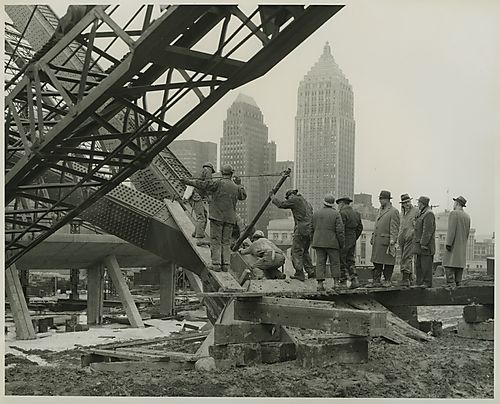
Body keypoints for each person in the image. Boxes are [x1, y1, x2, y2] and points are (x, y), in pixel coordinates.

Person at [182, 164, 246, 272]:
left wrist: (188, 181)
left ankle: (216, 264)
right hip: (230, 219)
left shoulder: (218, 183)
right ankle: (225, 265)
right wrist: (239, 184)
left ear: (221, 173)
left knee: (216, 241)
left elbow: (203, 184)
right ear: (231, 173)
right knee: (226, 242)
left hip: (217, 217)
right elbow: (243, 196)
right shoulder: (236, 187)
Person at [271, 189, 313, 281]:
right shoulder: (307, 203)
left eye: (288, 197)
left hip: (301, 230)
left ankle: (299, 273)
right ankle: (311, 271)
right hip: (310, 230)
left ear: (291, 195)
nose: (288, 199)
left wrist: (273, 198)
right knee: (305, 252)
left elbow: (281, 204)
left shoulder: (295, 200)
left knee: (296, 252)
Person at [311, 194, 345, 291]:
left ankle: (320, 284)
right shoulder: (336, 214)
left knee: (320, 262)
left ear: (324, 202)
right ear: (333, 204)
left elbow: (311, 228)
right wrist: (341, 243)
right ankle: (336, 283)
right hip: (332, 242)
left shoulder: (316, 213)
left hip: (318, 242)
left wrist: (313, 240)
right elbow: (340, 231)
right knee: (335, 263)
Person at [370, 190, 400, 287]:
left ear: (387, 199)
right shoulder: (379, 210)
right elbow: (377, 224)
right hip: (378, 241)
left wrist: (393, 239)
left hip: (387, 242)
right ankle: (376, 280)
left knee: (388, 262)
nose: (380, 201)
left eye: (381, 199)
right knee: (377, 262)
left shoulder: (393, 211)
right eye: (379, 198)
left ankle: (387, 280)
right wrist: (373, 236)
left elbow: (395, 227)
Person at [442, 196, 471, 287]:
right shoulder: (467, 216)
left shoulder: (453, 213)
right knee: (459, 268)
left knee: (449, 265)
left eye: (454, 202)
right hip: (461, 247)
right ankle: (459, 284)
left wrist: (448, 243)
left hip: (453, 246)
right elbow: (467, 233)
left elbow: (451, 230)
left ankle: (450, 285)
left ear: (457, 203)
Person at [336, 196, 363, 288]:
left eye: (339, 204)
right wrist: (355, 237)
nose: (338, 206)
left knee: (341, 260)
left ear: (342, 203)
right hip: (352, 238)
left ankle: (343, 281)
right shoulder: (356, 213)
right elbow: (360, 228)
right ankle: (354, 280)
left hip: (344, 239)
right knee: (351, 260)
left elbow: (340, 229)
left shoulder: (342, 213)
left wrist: (340, 240)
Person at [185, 162, 215, 239]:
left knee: (204, 214)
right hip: (196, 196)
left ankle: (196, 232)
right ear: (210, 168)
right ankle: (199, 234)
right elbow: (208, 184)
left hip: (192, 195)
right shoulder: (207, 171)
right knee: (201, 217)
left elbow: (200, 184)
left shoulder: (198, 172)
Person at [413, 196, 436, 288]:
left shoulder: (428, 214)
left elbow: (427, 231)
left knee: (426, 265)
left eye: (418, 203)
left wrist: (423, 243)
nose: (417, 204)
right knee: (419, 265)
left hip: (425, 246)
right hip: (420, 245)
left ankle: (427, 282)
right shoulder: (422, 213)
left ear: (422, 203)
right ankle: (419, 282)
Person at [397, 193, 419, 286]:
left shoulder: (416, 211)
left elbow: (418, 225)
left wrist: (413, 232)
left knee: (407, 257)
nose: (407, 204)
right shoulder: (401, 213)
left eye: (408, 202)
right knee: (404, 257)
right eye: (405, 202)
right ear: (402, 204)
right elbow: (400, 226)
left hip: (411, 237)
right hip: (402, 238)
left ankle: (406, 278)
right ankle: (409, 277)